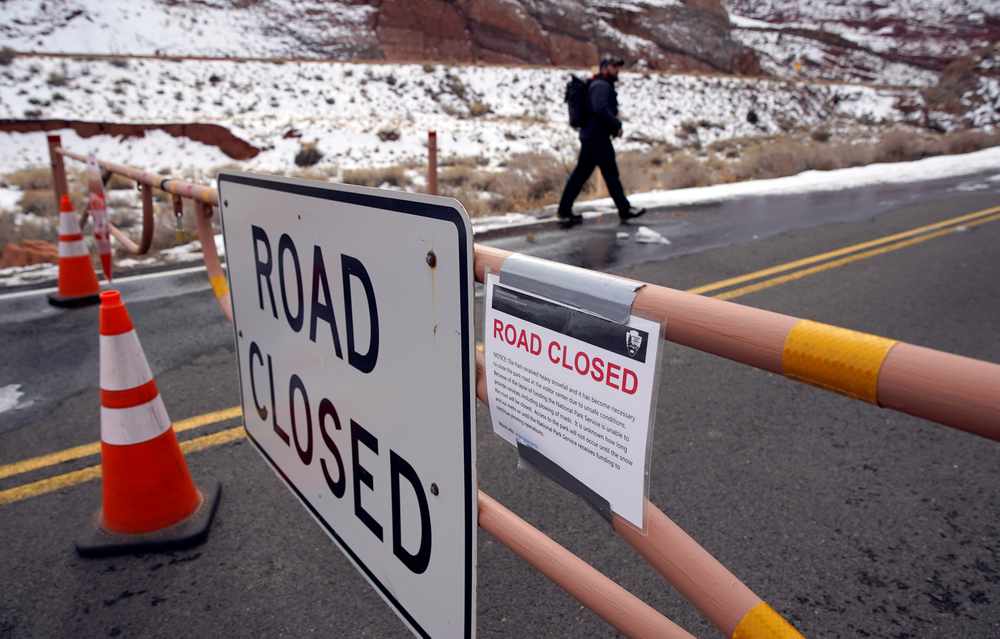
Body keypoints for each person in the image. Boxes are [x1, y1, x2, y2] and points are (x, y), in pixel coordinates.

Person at [558, 56, 646, 228]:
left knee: (582, 175)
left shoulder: (598, 84)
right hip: (597, 138)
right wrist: (617, 125)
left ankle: (564, 210)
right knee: (610, 175)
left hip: (591, 136)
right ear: (604, 68)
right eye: (614, 67)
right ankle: (624, 209)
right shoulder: (601, 86)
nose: (617, 70)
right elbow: (600, 109)